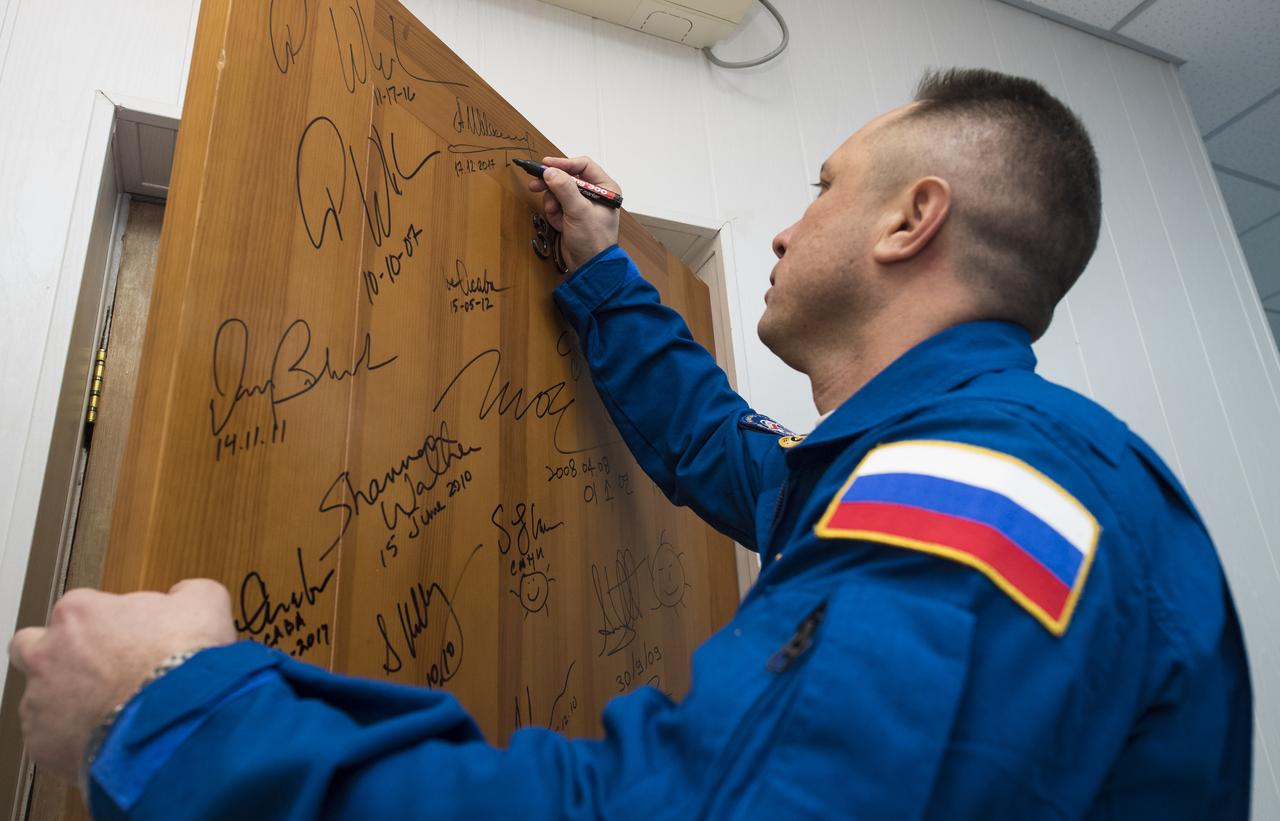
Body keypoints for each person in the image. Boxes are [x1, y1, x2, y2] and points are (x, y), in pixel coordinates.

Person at [9, 68, 1251, 819]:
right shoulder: (946, 466)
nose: (784, 231)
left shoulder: (986, 492)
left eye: (823, 185)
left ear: (909, 219)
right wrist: (600, 266)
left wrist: (163, 711)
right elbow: (725, 449)